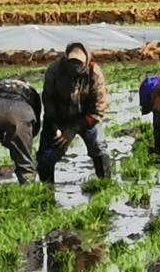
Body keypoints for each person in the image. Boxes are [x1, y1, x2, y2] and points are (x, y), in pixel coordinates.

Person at [37, 42, 113, 183]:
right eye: (72, 62)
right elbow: (48, 101)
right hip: (59, 118)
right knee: (46, 155)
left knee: (100, 149)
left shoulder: (94, 73)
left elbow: (99, 109)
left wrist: (74, 129)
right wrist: (56, 128)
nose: (75, 66)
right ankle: (46, 189)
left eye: (78, 63)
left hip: (86, 119)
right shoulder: (54, 71)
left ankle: (105, 183)